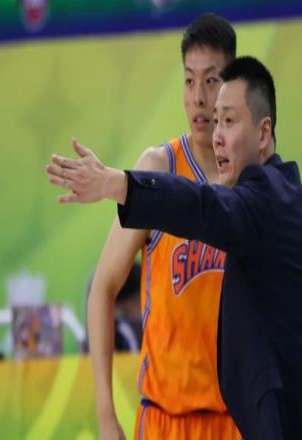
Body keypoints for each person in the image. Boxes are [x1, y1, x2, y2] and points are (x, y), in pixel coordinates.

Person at [47, 56, 302, 439]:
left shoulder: (268, 201)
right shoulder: (271, 200)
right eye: (216, 120)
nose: (216, 134)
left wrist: (116, 184)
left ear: (264, 133)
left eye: (229, 121)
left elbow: (200, 205)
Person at [55, 13, 241, 440]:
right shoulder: (159, 167)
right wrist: (106, 415)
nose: (198, 97)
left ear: (232, 86)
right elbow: (103, 288)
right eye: (189, 81)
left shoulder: (252, 180)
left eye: (211, 81)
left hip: (238, 422)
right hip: (165, 420)